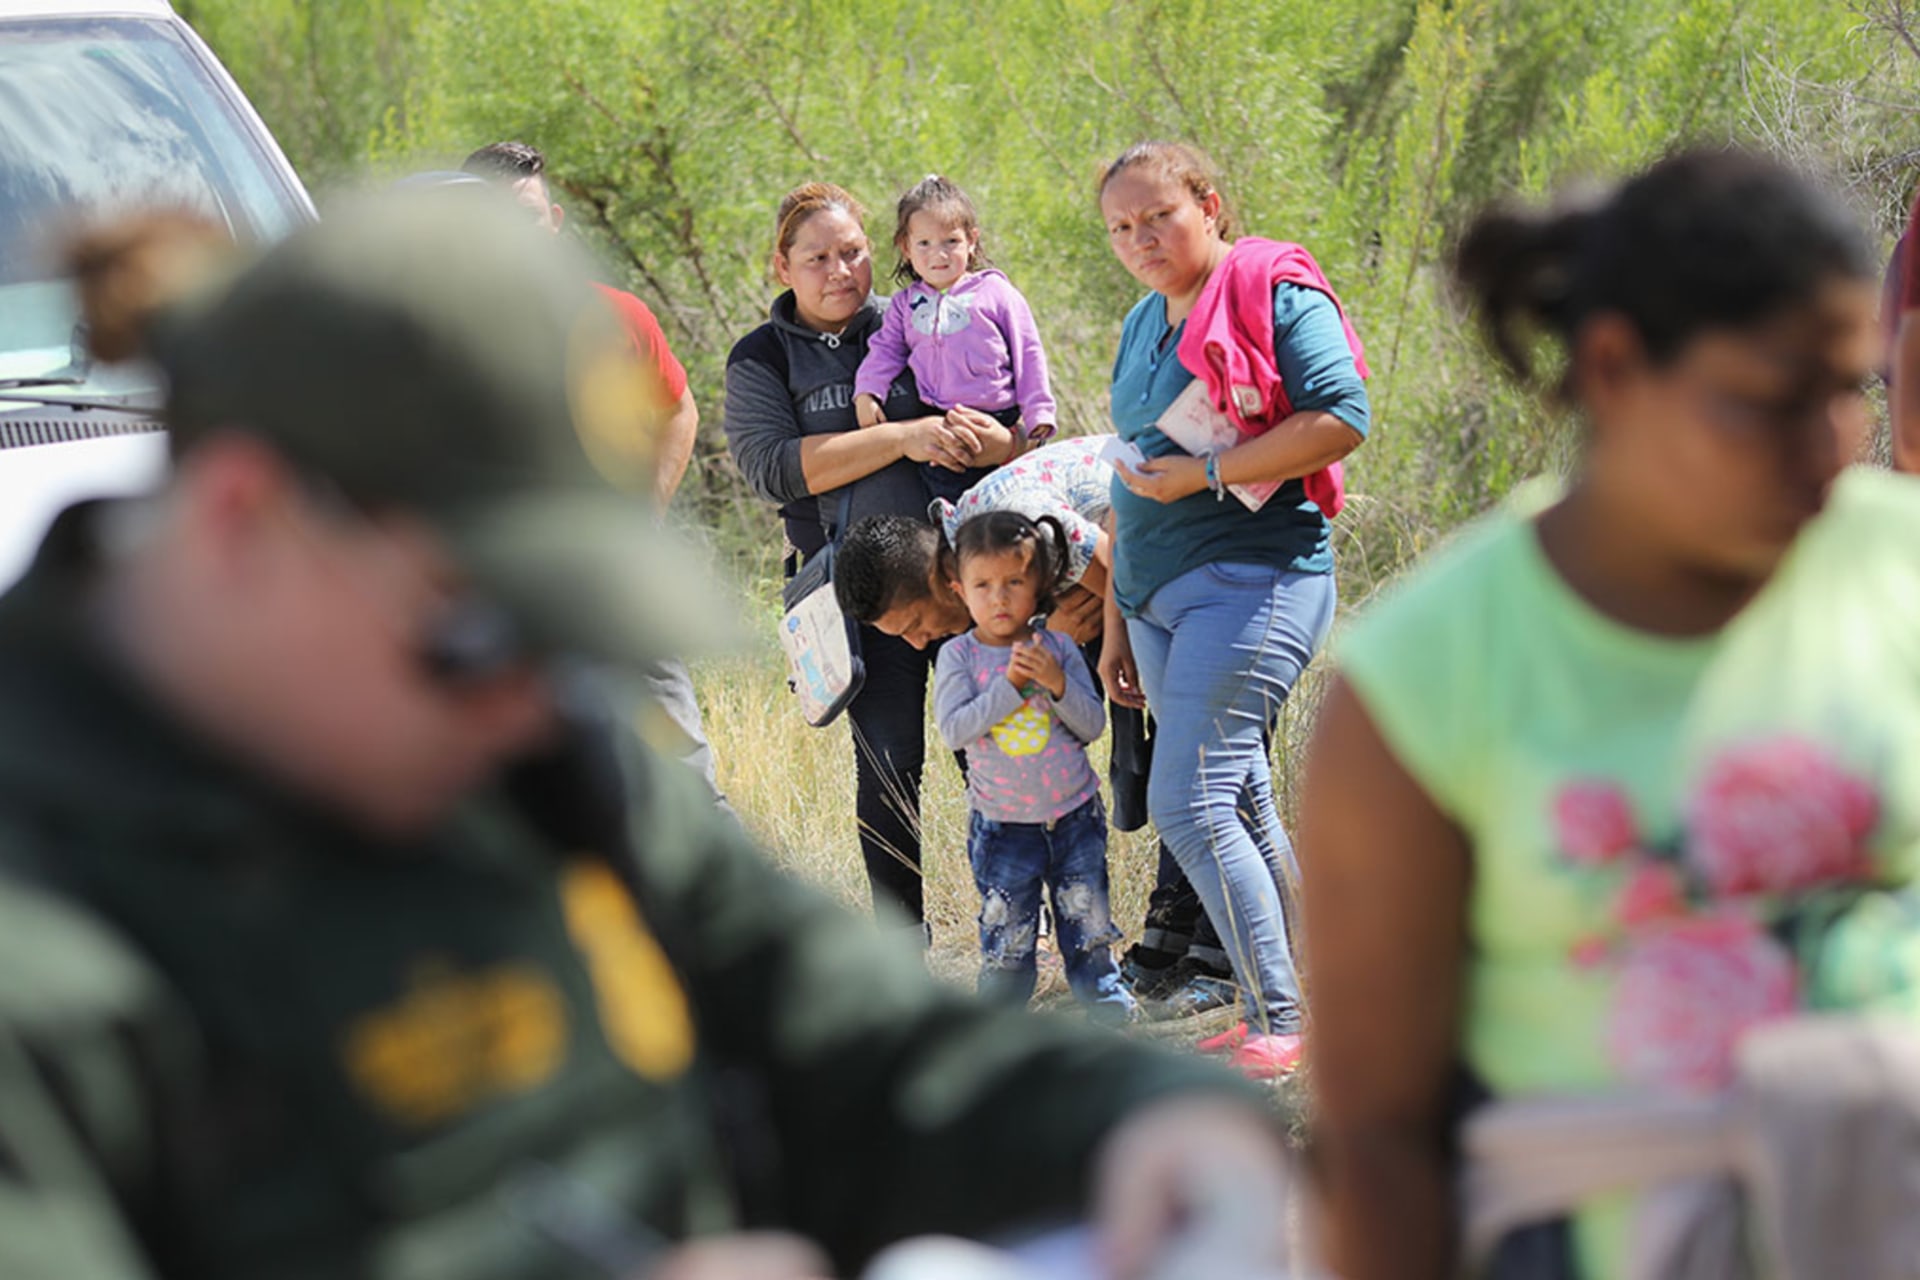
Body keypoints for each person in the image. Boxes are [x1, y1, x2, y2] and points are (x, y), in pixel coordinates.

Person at [0, 191, 1298, 1280]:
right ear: (244, 523)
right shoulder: (43, 937)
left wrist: (1153, 1124)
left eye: (571, 637)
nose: (539, 698)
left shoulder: (527, 757)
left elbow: (863, 1039)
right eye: (487, 632)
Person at [1300, 149, 1916, 1280]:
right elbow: (1379, 1134)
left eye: (1852, 389)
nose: (1831, 444)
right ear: (1617, 365)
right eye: (1773, 399)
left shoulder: (1900, 564)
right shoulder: (1428, 676)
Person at [1095, 140, 1371, 1079]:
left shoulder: (1272, 291)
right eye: (1121, 227)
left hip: (1255, 582)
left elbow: (1342, 415)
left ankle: (1287, 1021)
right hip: (1155, 601)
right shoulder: (1143, 320)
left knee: (1189, 799)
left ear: (1209, 205)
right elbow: (1135, 468)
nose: (1140, 239)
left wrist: (1209, 473)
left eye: (1158, 216)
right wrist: (1116, 624)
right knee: (1241, 799)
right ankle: (1295, 1005)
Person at [834, 438, 1242, 1018]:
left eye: (917, 624)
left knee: (1202, 759)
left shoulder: (1011, 530)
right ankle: (1172, 935)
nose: (920, 643)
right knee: (1170, 759)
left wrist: (1099, 632)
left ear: (942, 580)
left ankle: (1222, 957)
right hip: (1159, 572)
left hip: (1207, 546)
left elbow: (1124, 573)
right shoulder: (979, 561)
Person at [723, 182, 1018, 929]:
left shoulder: (917, 316)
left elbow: (1004, 414)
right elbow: (775, 466)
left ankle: (1018, 933)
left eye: (853, 252)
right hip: (855, 601)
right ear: (781, 267)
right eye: (817, 257)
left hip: (960, 588)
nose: (840, 271)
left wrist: (1001, 441)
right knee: (889, 767)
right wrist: (900, 437)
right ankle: (900, 958)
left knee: (991, 754)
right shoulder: (761, 356)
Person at [460, 139, 723, 802]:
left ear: (552, 224)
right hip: (500, 598)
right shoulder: (443, 329)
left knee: (682, 770)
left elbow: (678, 412)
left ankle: (695, 893)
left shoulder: (619, 316)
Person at [930, 510, 1134, 1023]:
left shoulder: (1059, 649)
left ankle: (1107, 1010)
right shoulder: (958, 656)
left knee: (1086, 925)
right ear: (959, 589)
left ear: (1039, 583)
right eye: (983, 584)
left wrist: (1058, 684)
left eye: (1014, 582)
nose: (999, 598)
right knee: (1008, 936)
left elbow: (1091, 727)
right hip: (1004, 828)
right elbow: (955, 730)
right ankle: (1000, 1029)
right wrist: (1010, 690)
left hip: (1074, 819)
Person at [852, 174, 1058, 497]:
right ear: (905, 247)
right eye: (924, 244)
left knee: (1011, 498)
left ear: (971, 240)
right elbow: (885, 351)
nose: (939, 254)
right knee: (952, 504)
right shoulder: (905, 305)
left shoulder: (996, 293)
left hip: (996, 416)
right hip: (940, 419)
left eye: (951, 241)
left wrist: (1039, 413)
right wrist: (867, 391)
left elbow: (1028, 353)